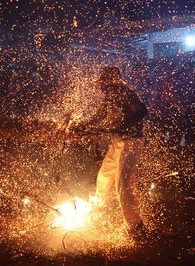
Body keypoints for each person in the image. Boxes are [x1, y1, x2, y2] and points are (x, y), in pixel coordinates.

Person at [74, 66, 148, 238]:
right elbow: (98, 115)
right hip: (117, 143)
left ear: (112, 82)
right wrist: (82, 125)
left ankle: (136, 228)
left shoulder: (127, 93)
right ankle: (98, 210)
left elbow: (143, 111)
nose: (101, 87)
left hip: (131, 143)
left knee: (123, 183)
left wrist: (119, 126)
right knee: (104, 177)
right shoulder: (109, 96)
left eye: (103, 83)